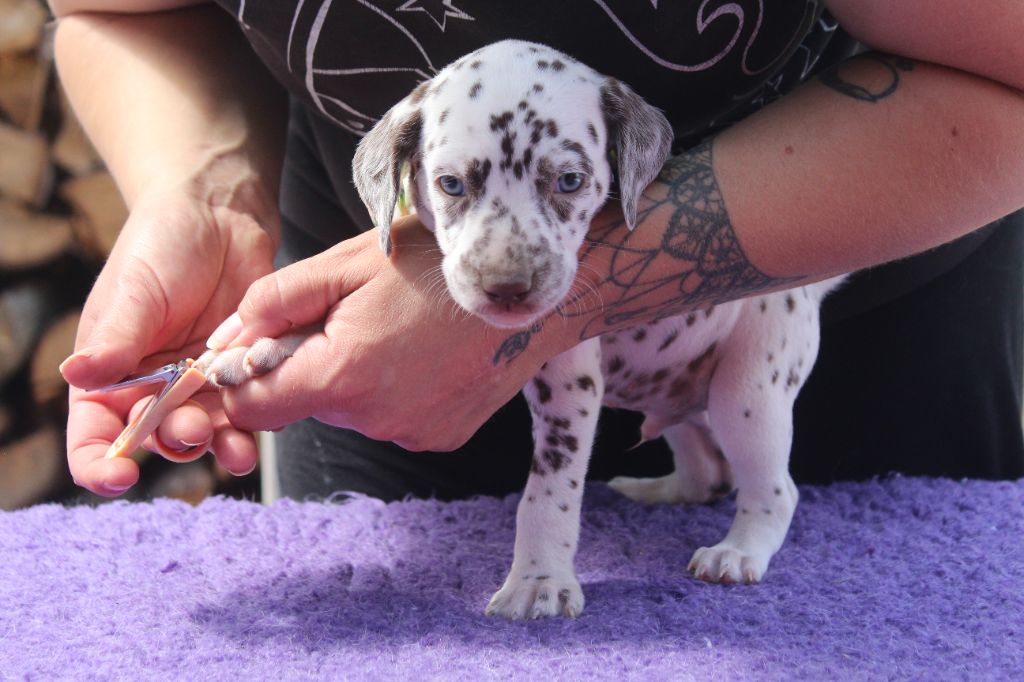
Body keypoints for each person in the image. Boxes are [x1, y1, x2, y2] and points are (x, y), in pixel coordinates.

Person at [53, 0, 1024, 501]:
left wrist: (566, 292)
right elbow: (125, 12)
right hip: (371, 323)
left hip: (829, 322)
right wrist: (209, 192)